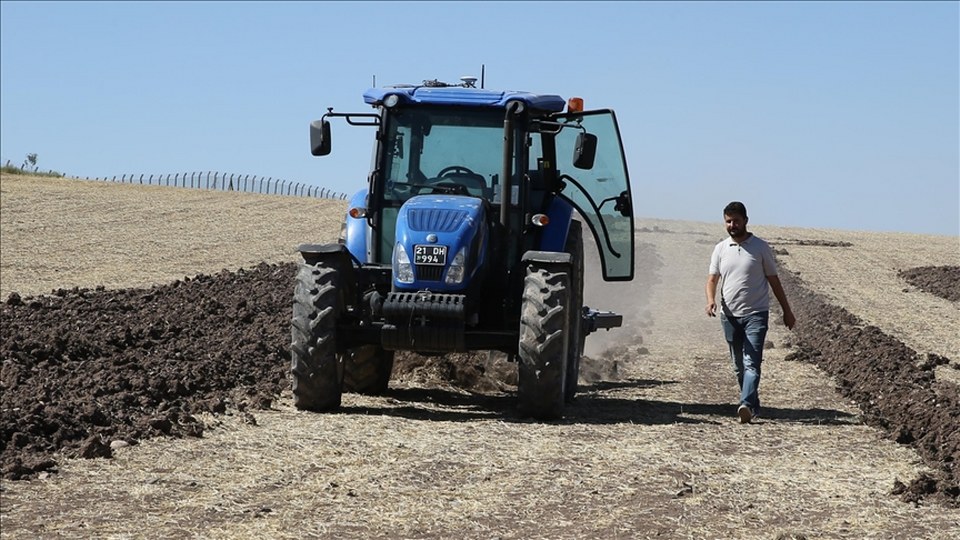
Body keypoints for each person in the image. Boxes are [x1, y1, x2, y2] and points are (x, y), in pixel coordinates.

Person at [705, 201, 796, 424]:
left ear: (746, 220)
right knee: (739, 367)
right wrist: (710, 301)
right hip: (729, 315)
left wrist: (787, 310)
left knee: (751, 363)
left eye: (736, 220)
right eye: (728, 221)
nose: (732, 225)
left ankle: (745, 404)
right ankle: (753, 404)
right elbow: (712, 279)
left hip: (756, 314)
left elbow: (773, 280)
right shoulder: (721, 249)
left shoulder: (760, 247)